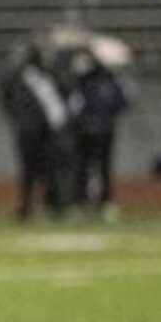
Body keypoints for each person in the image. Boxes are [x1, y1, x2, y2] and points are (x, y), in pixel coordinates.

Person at [0, 40, 70, 220]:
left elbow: (5, 99)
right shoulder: (45, 75)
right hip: (43, 129)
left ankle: (34, 205)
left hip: (31, 129)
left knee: (33, 170)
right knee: (44, 169)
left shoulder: (18, 75)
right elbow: (64, 95)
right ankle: (48, 205)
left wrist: (17, 118)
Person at [67, 38, 133, 221]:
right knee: (100, 168)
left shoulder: (83, 81)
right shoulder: (109, 80)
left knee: (85, 167)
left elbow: (73, 105)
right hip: (103, 129)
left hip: (89, 129)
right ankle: (103, 204)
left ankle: (82, 204)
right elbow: (123, 103)